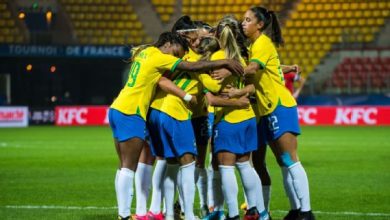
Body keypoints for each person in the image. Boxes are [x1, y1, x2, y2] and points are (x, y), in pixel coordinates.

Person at [109, 31, 244, 220]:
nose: (176, 58)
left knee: (124, 165)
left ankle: (135, 212)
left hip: (118, 107)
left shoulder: (146, 52)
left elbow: (164, 78)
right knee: (130, 167)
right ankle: (125, 215)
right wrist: (225, 63)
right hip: (133, 111)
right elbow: (192, 66)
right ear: (170, 43)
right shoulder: (159, 57)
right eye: (177, 52)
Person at [240, 6, 315, 220]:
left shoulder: (262, 43)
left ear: (260, 24)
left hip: (279, 106)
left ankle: (307, 213)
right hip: (267, 108)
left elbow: (253, 69)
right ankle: (294, 210)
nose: (243, 23)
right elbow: (270, 68)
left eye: (247, 20)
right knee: (283, 162)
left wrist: (227, 67)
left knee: (291, 160)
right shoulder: (257, 45)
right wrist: (288, 67)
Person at [202, 16, 269, 220]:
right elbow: (251, 86)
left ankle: (232, 214)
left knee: (225, 167)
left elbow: (212, 95)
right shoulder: (242, 57)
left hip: (229, 120)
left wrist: (201, 72)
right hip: (248, 118)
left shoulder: (218, 57)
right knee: (244, 165)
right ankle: (255, 209)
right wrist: (240, 95)